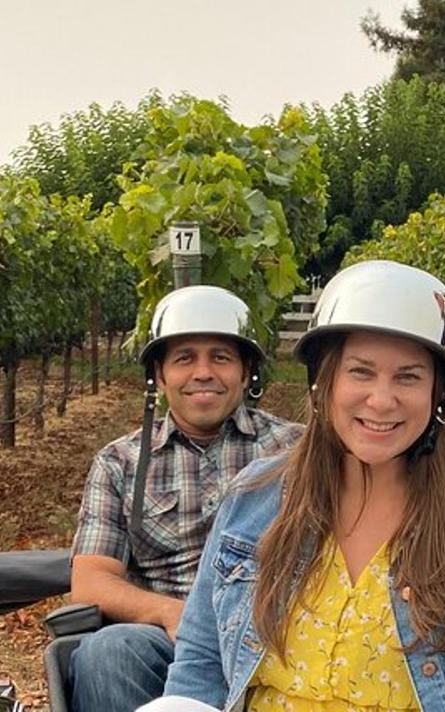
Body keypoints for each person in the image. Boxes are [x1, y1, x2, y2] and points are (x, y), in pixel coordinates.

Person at [153, 260, 445, 712]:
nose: (381, 400)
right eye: (361, 371)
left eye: (408, 376)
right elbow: (201, 664)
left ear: (437, 393)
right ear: (325, 381)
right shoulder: (253, 499)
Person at [69, 285, 302, 712]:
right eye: (184, 358)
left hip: (276, 635)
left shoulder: (296, 451)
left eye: (221, 357)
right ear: (158, 376)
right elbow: (90, 583)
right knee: (108, 653)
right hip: (165, 639)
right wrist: (172, 614)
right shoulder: (119, 463)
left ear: (247, 372)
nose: (203, 373)